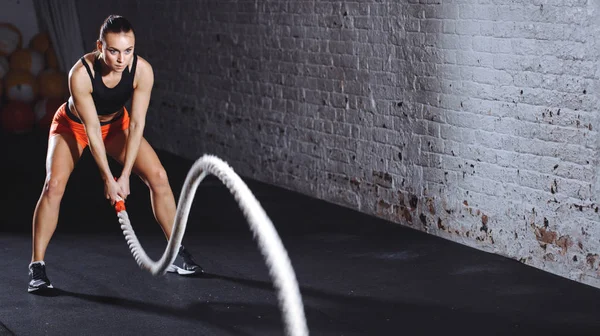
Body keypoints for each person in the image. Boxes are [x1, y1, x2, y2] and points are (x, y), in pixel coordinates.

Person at [28, 15, 203, 293]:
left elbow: (136, 124)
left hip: (117, 125)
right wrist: (109, 179)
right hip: (73, 126)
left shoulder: (142, 71)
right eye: (113, 50)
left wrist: (125, 175)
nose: (121, 59)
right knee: (54, 185)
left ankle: (176, 252)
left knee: (158, 175)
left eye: (128, 50)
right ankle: (37, 267)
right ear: (100, 46)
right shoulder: (81, 74)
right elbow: (92, 129)